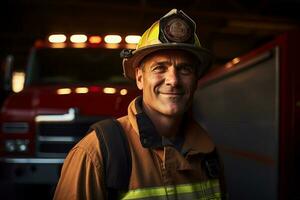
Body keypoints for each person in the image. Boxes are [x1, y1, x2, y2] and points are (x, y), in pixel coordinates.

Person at [54, 9, 227, 200]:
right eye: (159, 68)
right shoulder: (94, 154)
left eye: (184, 69)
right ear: (139, 78)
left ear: (195, 79)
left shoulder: (208, 153)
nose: (173, 80)